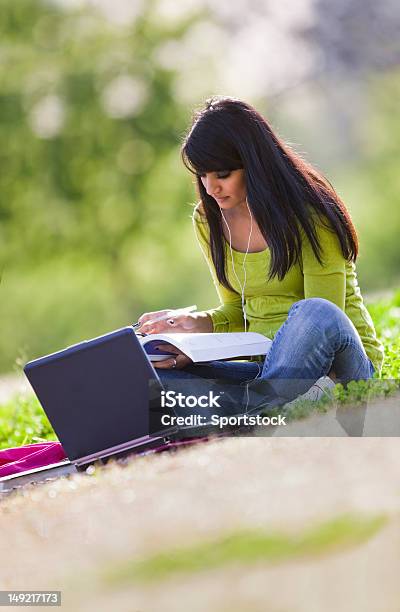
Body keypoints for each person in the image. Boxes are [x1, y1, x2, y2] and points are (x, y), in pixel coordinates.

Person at [138, 96, 384, 414]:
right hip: (270, 373)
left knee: (313, 313)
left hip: (341, 368)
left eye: (222, 174)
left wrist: (220, 345)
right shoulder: (208, 219)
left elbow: (324, 326)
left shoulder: (310, 213)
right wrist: (195, 326)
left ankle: (245, 408)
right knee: (158, 376)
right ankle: (262, 406)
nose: (211, 187)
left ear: (252, 163)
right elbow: (236, 311)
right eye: (202, 175)